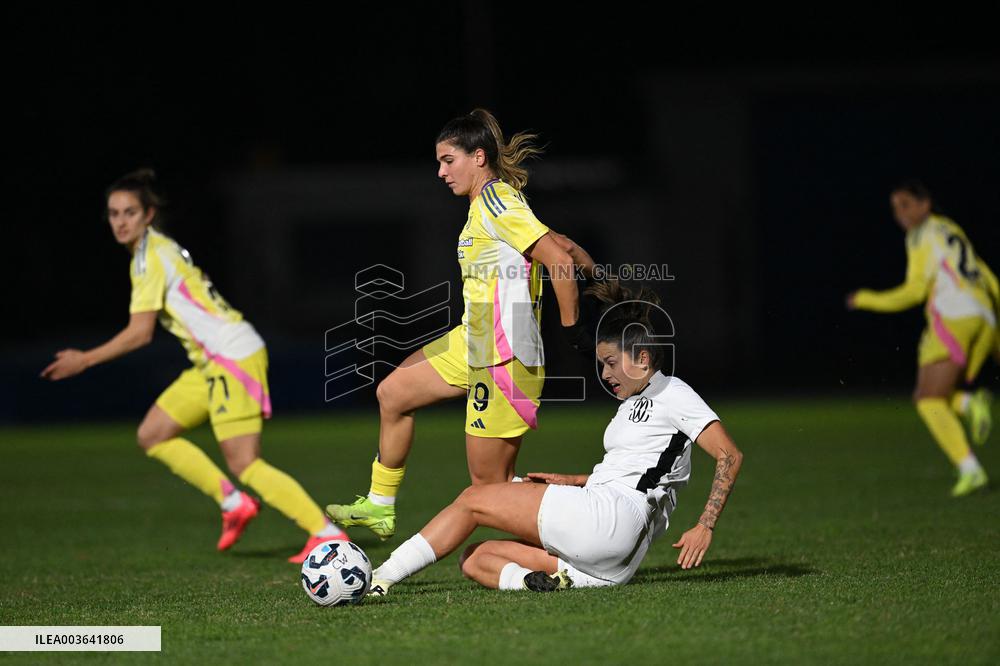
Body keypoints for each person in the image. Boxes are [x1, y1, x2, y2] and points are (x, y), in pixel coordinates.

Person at [41, 169, 347, 562]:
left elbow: (140, 333)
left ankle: (325, 534)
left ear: (148, 214)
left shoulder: (150, 259)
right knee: (153, 433)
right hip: (210, 361)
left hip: (231, 356)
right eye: (114, 213)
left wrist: (84, 359)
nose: (120, 221)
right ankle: (233, 503)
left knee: (245, 462)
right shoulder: (158, 249)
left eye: (129, 212)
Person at [365, 281, 744, 594]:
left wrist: (704, 526)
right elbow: (640, 471)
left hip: (611, 519)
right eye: (601, 365)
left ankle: (381, 578)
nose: (606, 374)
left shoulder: (672, 391)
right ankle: (541, 584)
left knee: (473, 499)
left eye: (611, 363)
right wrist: (574, 481)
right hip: (614, 562)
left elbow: (729, 455)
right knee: (476, 559)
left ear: (643, 359)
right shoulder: (633, 404)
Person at [326, 109, 596, 540]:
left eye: (448, 160)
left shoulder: (495, 201)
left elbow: (558, 259)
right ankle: (379, 505)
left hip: (503, 359)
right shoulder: (488, 205)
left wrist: (572, 330)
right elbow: (563, 244)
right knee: (392, 393)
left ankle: (584, 532)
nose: (440, 171)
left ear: (479, 157)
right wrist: (608, 284)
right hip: (471, 342)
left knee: (489, 492)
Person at [848, 180, 997, 497]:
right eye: (894, 207)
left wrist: (866, 299)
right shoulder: (949, 227)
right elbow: (987, 276)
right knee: (940, 394)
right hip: (983, 316)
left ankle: (971, 468)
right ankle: (969, 401)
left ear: (924, 204)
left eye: (905, 204)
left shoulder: (920, 235)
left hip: (954, 318)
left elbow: (914, 292)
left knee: (927, 400)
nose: (899, 213)